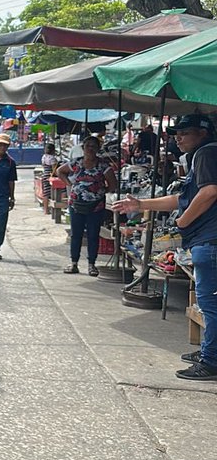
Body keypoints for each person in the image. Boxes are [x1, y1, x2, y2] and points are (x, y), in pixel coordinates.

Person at [114, 114, 217, 381]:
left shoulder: (206, 154)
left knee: (210, 302)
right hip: (205, 239)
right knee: (208, 301)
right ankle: (210, 351)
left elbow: (209, 193)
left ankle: (212, 360)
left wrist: (184, 220)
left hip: (210, 240)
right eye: (176, 134)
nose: (178, 138)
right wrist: (141, 205)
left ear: (203, 133)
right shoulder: (201, 157)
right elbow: (183, 197)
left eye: (185, 133)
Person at [57, 136, 116, 276]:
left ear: (98, 149)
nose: (90, 149)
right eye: (88, 146)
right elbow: (60, 171)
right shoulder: (76, 163)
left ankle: (91, 265)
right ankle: (74, 263)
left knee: (93, 235)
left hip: (95, 207)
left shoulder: (103, 166)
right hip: (76, 204)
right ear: (83, 148)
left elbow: (113, 184)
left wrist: (100, 192)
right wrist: (70, 184)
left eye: (93, 146)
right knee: (76, 234)